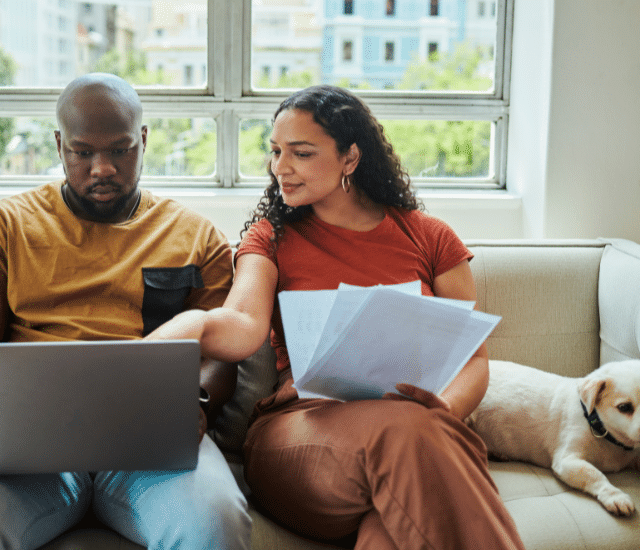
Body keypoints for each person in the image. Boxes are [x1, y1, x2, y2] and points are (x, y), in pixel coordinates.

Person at [146, 85, 526, 550]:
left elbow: (471, 359)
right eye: (276, 151)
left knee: (392, 521)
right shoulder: (271, 237)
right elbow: (243, 323)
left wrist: (442, 411)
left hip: (414, 439)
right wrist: (189, 328)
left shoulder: (430, 237)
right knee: (407, 433)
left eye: (301, 154)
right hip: (301, 434)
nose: (279, 167)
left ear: (350, 158)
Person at [0, 73, 251, 550]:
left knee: (215, 524)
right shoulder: (3, 227)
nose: (103, 168)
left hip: (151, 448)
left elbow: (222, 356)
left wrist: (194, 403)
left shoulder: (196, 237)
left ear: (144, 141)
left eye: (120, 150)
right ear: (59, 145)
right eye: (82, 152)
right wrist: (26, 420)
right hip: (31, 449)